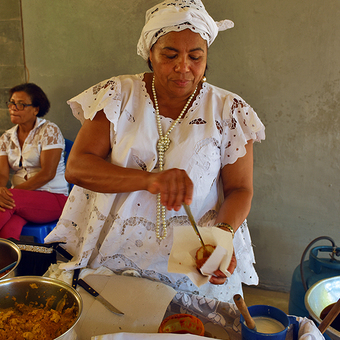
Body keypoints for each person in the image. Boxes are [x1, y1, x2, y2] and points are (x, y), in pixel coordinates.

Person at [45, 0, 265, 303]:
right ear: (150, 53)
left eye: (196, 57)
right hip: (116, 251)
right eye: (169, 54)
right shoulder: (119, 95)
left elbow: (240, 188)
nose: (183, 67)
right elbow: (78, 168)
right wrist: (149, 180)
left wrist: (222, 235)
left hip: (193, 259)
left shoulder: (229, 110)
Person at [0, 83, 69, 240]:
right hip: (20, 202)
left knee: (9, 202)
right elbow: (2, 174)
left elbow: (47, 173)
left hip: (53, 198)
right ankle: (11, 263)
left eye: (21, 104)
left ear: (36, 109)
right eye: (11, 102)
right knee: (8, 229)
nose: (13, 108)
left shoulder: (49, 130)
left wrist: (11, 192)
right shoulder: (6, 138)